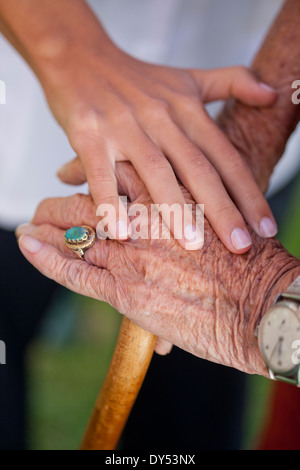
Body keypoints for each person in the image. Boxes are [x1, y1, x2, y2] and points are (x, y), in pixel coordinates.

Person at [1, 0, 299, 449]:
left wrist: (265, 305)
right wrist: (66, 49)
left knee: (184, 427)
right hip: (23, 120)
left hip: (233, 144)